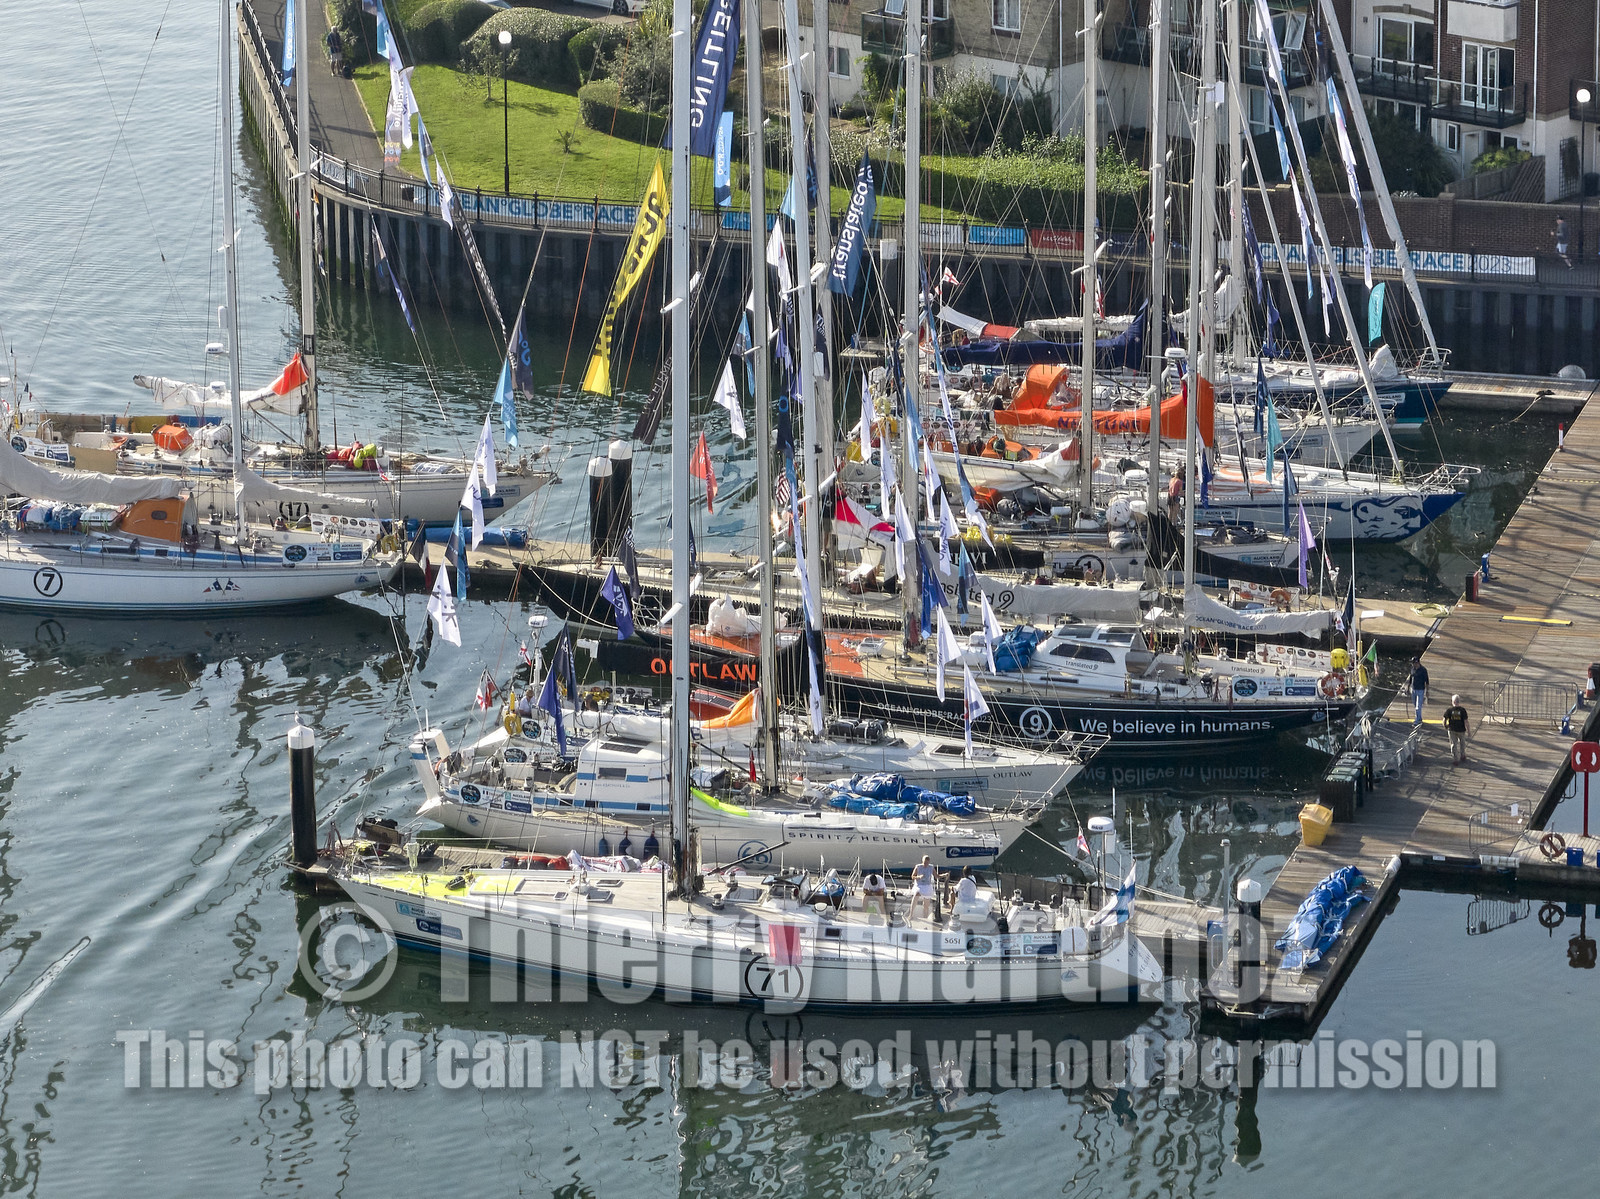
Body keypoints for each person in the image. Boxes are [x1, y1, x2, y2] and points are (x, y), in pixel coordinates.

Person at [1443, 694, 1470, 763]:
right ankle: (1462, 755)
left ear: (1452, 702)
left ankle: (1455, 759)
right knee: (1462, 744)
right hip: (1461, 730)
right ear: (1459, 702)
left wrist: (1445, 725)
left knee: (1453, 744)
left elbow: (1444, 719)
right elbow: (1466, 721)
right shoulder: (1462, 710)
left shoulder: (1449, 710)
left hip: (1452, 729)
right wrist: (1469, 731)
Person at [910, 855, 937, 920]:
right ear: (922, 861)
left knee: (926, 905)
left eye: (927, 863)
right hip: (919, 885)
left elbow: (936, 876)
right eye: (924, 863)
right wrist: (918, 877)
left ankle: (925, 916)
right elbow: (912, 876)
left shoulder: (931, 867)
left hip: (927, 886)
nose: (925, 864)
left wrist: (944, 875)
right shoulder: (918, 867)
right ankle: (911, 914)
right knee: (916, 894)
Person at [1408, 656, 1429, 726]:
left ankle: (1416, 721)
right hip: (1413, 689)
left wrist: (1427, 691)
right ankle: (1419, 718)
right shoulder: (1412, 669)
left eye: (1413, 663)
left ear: (1417, 663)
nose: (1413, 664)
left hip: (1421, 690)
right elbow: (1410, 678)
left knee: (1418, 706)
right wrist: (1408, 687)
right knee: (1415, 704)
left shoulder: (1423, 670)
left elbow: (1427, 681)